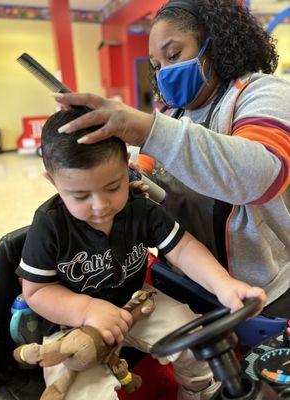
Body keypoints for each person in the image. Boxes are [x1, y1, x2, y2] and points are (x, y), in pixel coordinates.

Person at [53, 0, 290, 307]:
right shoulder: (173, 115)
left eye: (174, 55)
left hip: (264, 291)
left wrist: (147, 130)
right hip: (190, 280)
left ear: (213, 44)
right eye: (156, 65)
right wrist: (119, 180)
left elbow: (258, 177)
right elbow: (150, 183)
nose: (164, 72)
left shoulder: (262, 93)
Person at [16, 109, 265, 400]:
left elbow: (182, 247)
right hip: (71, 325)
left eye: (113, 187)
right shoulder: (50, 224)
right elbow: (36, 291)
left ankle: (198, 392)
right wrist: (86, 310)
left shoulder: (139, 207)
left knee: (195, 340)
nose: (100, 205)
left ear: (128, 165)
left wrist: (224, 284)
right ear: (53, 181)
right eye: (80, 196)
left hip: (137, 303)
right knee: (80, 395)